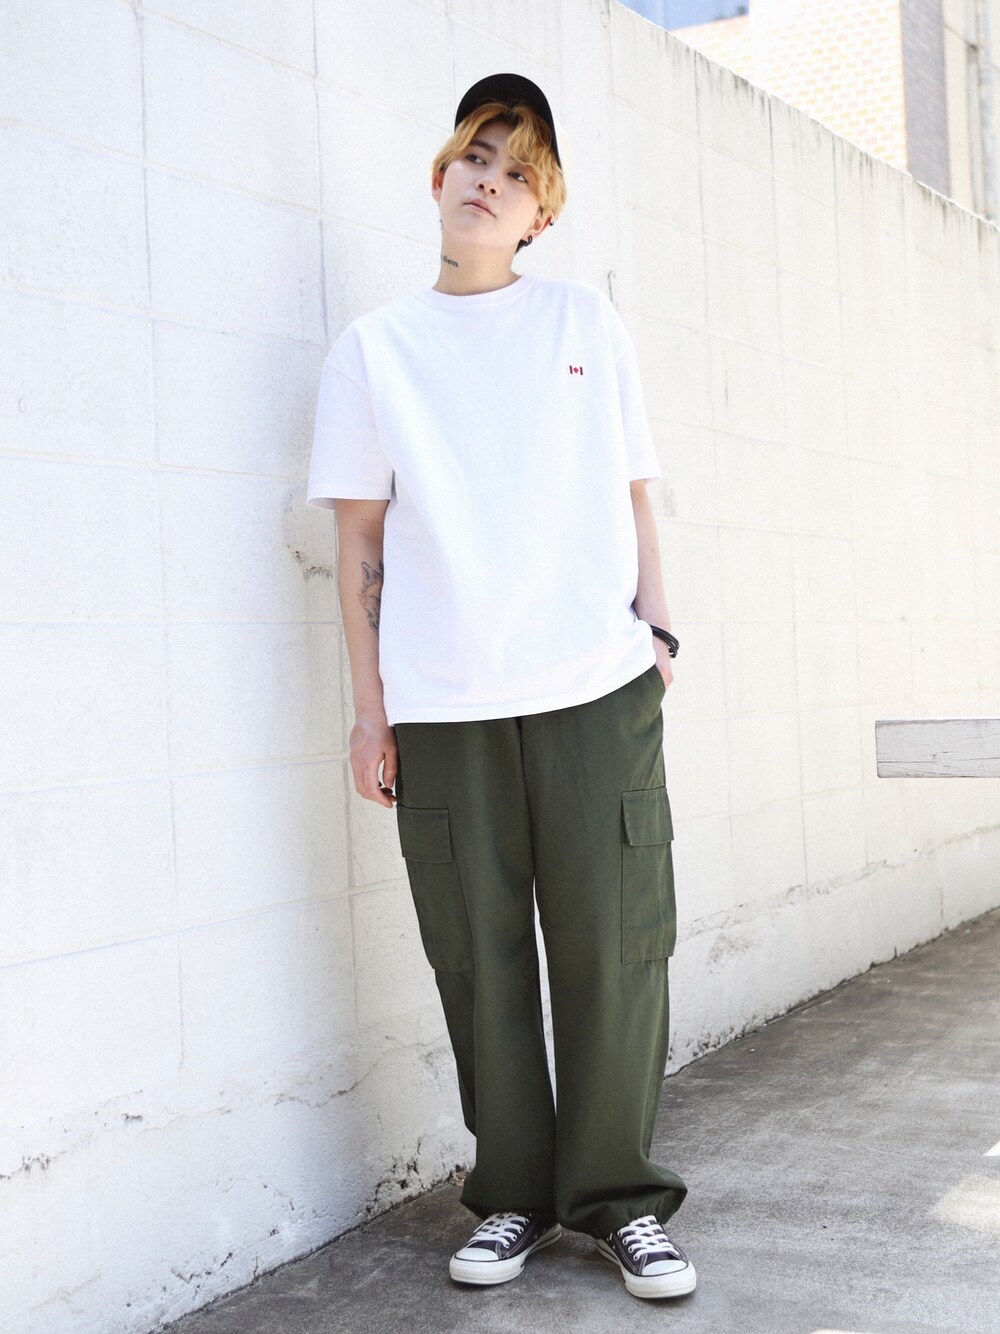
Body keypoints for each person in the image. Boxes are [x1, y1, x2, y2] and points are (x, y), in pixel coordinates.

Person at [306, 72, 695, 1302]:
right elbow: (358, 544)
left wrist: (659, 630)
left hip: (594, 681)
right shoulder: (373, 350)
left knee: (615, 945)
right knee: (476, 954)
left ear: (543, 213)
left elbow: (634, 487)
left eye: (520, 172)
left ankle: (620, 1199)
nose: (490, 180)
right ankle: (515, 1191)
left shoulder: (582, 318)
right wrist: (369, 709)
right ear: (440, 175)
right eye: (477, 154)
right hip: (443, 698)